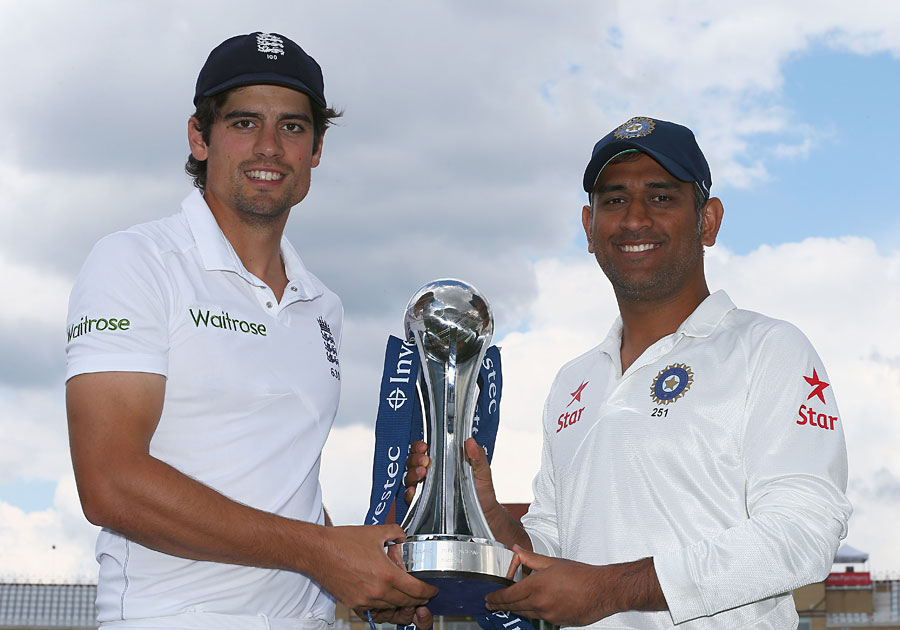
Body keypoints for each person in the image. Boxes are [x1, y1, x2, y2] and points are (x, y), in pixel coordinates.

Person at [406, 116, 851, 629]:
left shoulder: (769, 349)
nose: (634, 218)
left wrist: (612, 589)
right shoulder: (575, 381)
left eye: (661, 197)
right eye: (614, 200)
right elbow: (550, 550)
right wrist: (486, 512)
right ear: (589, 228)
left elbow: (804, 533)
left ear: (707, 220)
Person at [65, 32, 436, 630]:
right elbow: (110, 484)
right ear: (199, 136)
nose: (269, 147)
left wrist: (367, 569)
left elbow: (283, 491)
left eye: (292, 127)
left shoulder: (323, 305)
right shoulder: (135, 261)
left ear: (316, 149)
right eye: (243, 122)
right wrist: (318, 552)